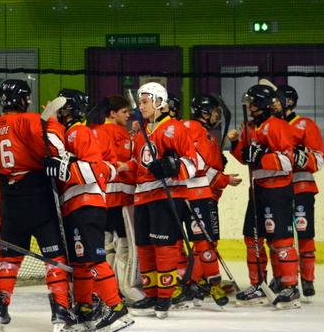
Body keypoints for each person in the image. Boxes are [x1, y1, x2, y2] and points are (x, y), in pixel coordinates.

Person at [0, 79, 74, 332]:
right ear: (22, 99)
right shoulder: (30, 120)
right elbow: (55, 148)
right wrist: (52, 121)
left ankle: (0, 309)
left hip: (9, 200)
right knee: (53, 256)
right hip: (37, 196)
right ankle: (60, 311)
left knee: (9, 257)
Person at [45, 89, 133, 332]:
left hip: (87, 205)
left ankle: (117, 308)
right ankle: (85, 308)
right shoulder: (71, 133)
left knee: (93, 259)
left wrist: (63, 169)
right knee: (81, 262)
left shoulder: (78, 132)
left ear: (69, 109)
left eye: (61, 108)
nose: (58, 112)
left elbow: (94, 170)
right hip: (76, 205)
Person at [126, 82, 198, 319]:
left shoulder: (175, 129)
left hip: (166, 195)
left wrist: (171, 166)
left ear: (159, 102)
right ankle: (152, 294)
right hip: (142, 196)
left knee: (163, 246)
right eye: (140, 102)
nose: (141, 106)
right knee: (144, 246)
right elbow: (137, 164)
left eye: (145, 101)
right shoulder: (140, 133)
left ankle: (165, 296)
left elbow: (193, 163)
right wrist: (120, 168)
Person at [228, 84, 302, 309]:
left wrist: (263, 157)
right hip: (257, 189)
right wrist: (236, 144)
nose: (249, 106)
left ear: (261, 104)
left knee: (280, 239)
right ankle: (258, 284)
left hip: (277, 190)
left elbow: (288, 161)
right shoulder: (250, 127)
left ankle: (290, 286)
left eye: (252, 102)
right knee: (252, 238)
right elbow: (245, 157)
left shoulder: (278, 126)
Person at [180, 94, 240, 306]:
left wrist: (219, 164)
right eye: (215, 111)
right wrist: (224, 178)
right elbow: (200, 167)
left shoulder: (200, 132)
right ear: (204, 112)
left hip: (195, 195)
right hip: (198, 195)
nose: (217, 115)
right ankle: (200, 282)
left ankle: (194, 281)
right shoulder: (197, 131)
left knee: (202, 242)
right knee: (205, 241)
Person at [92, 95, 142, 302]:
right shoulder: (118, 133)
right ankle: (126, 289)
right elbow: (128, 162)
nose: (128, 115)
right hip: (121, 198)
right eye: (124, 111)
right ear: (112, 113)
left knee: (106, 245)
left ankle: (106, 290)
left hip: (102, 198)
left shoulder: (94, 132)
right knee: (125, 245)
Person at [281, 84, 324, 299]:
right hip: (277, 188)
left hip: (302, 187)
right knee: (280, 235)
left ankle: (307, 279)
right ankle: (282, 277)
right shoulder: (272, 125)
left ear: (288, 102)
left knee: (305, 233)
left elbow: (319, 159)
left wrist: (302, 158)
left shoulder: (306, 125)